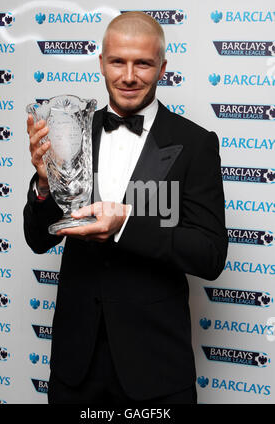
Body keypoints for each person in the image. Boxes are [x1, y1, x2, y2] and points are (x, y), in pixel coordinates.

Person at [24, 11, 228, 404]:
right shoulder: (72, 129)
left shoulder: (195, 144)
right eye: (118, 61)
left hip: (155, 367)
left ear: (163, 67)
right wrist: (45, 184)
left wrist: (123, 227)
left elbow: (210, 255)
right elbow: (36, 239)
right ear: (101, 61)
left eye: (143, 63)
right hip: (74, 366)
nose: (129, 76)